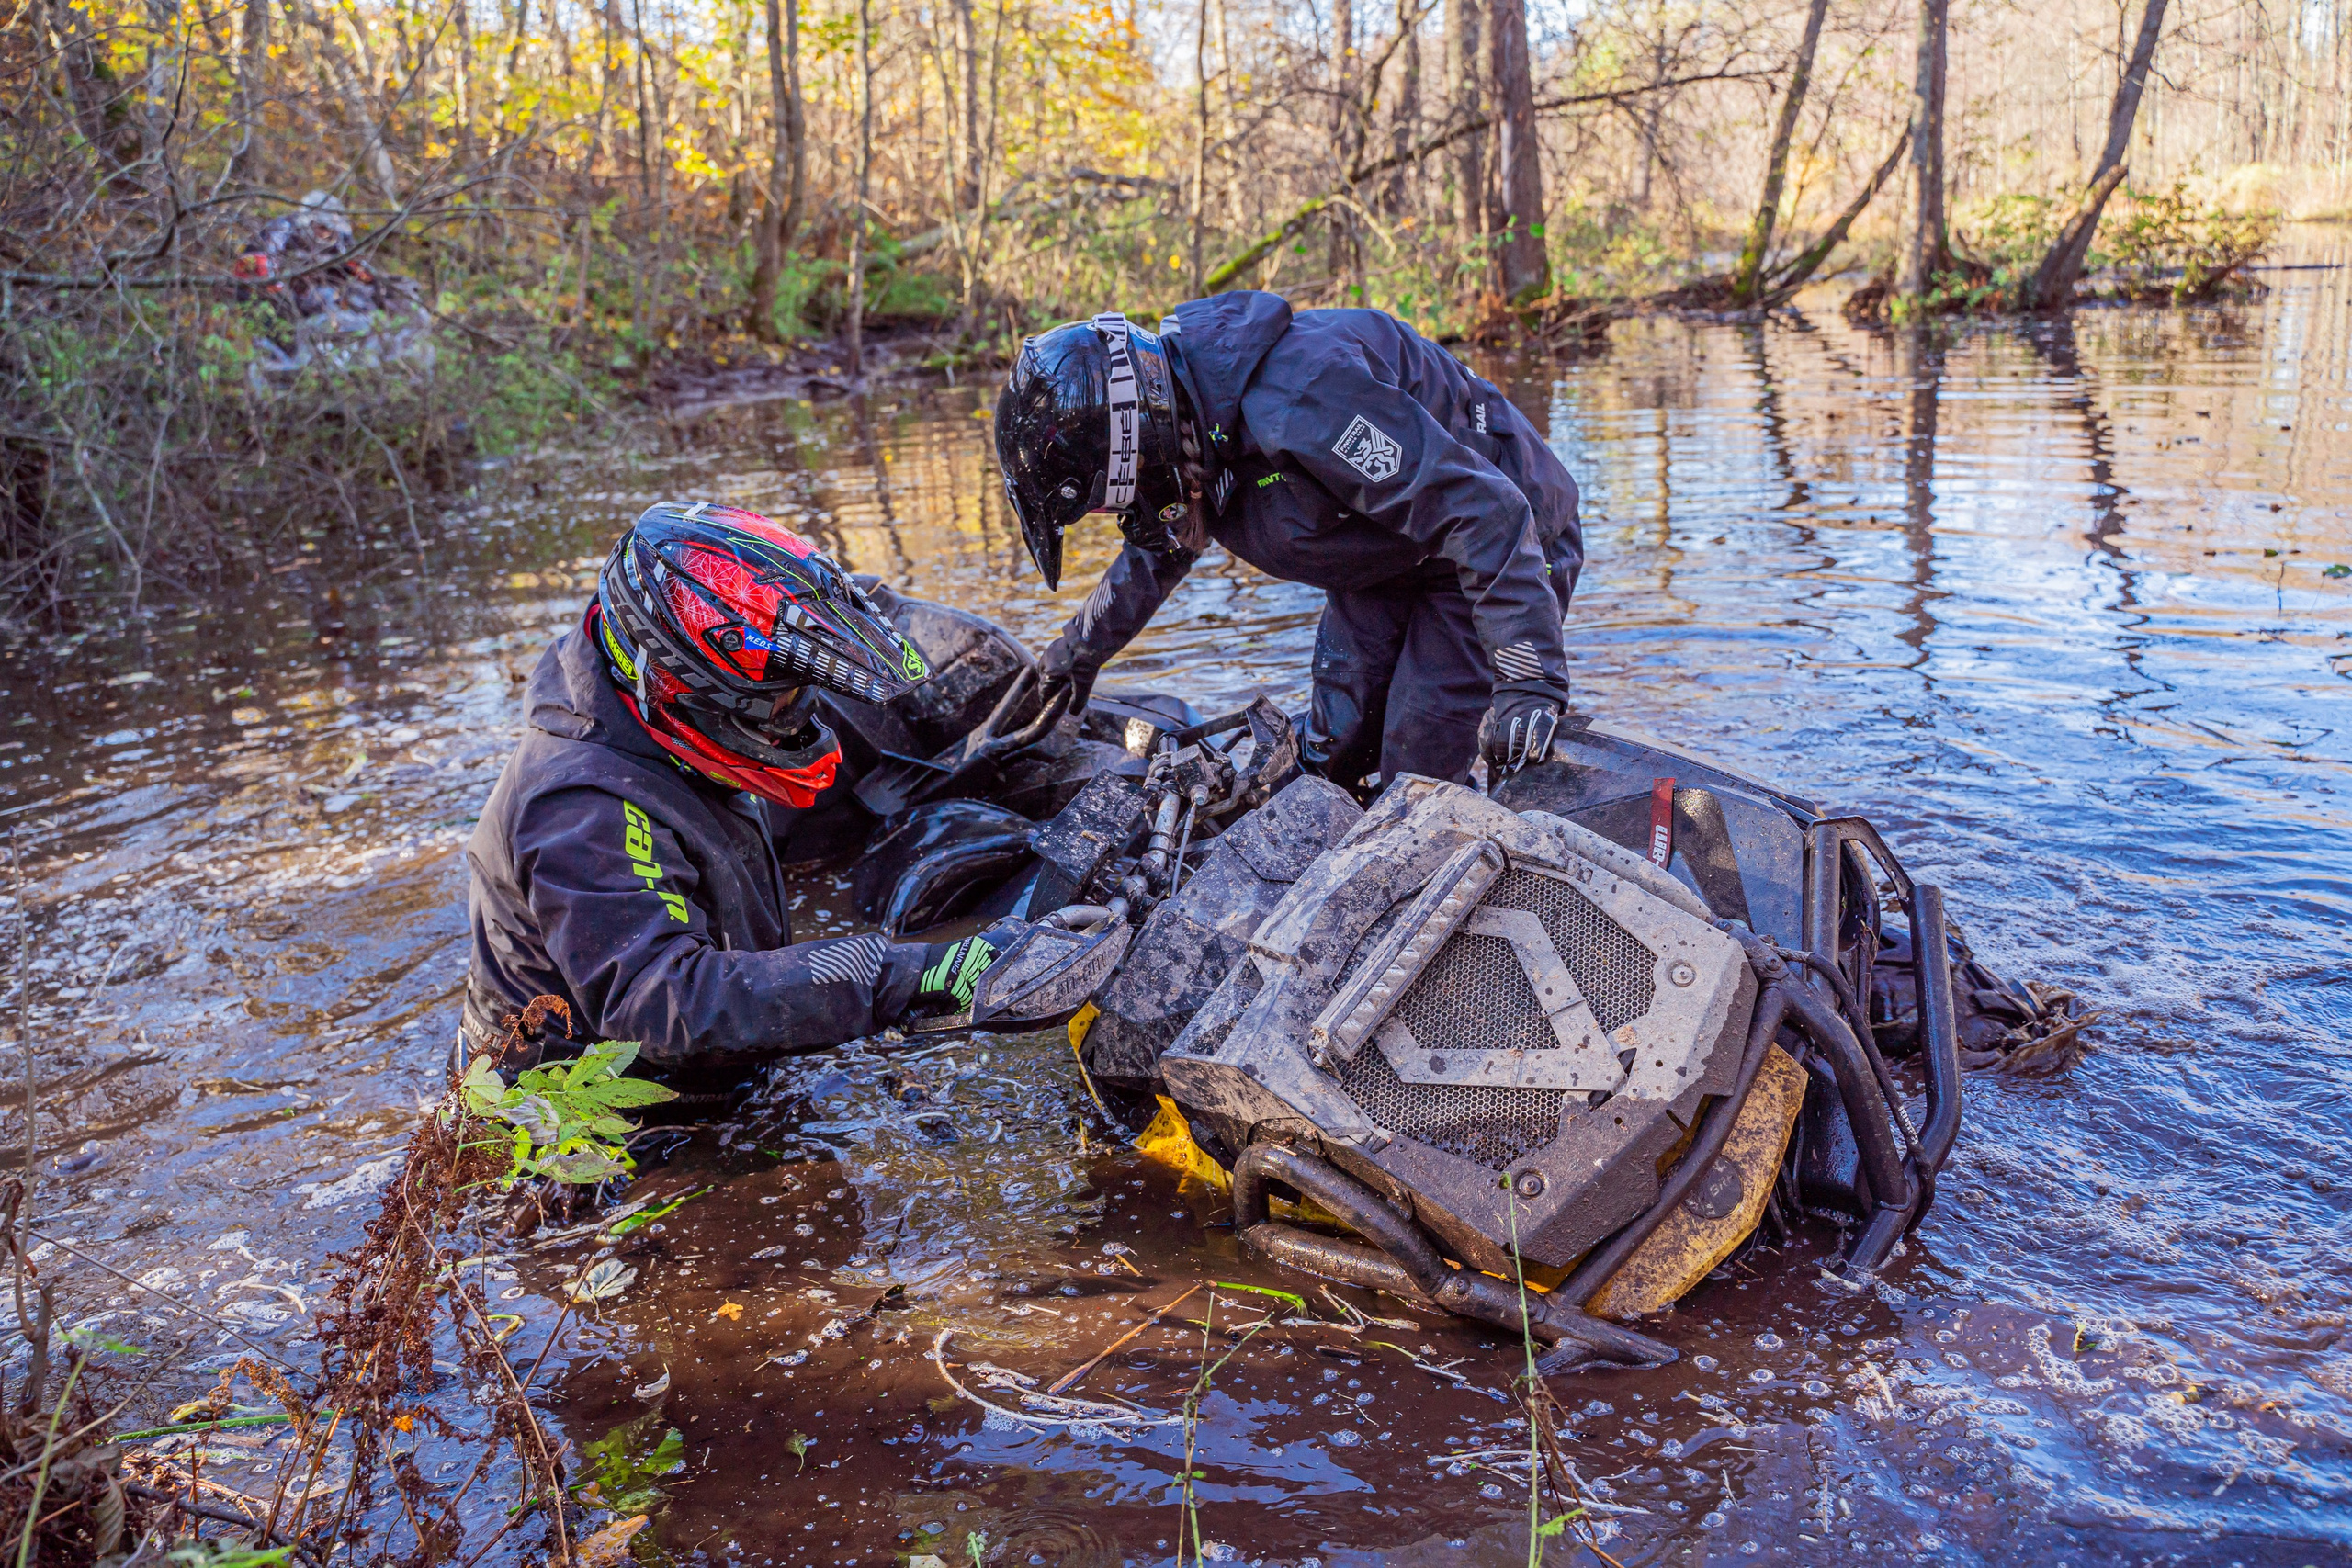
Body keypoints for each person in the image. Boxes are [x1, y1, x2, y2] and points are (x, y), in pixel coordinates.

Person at [463, 502, 1022, 1076]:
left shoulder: (642, 709)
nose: (796, 719)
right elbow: (660, 998)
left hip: (688, 1074)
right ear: (686, 693)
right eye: (778, 705)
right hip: (590, 1131)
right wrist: (912, 974)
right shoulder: (577, 809)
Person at [995, 292, 1583, 794]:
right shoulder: (1194, 440)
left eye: (1103, 501)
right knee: (1328, 759)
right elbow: (1160, 549)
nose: (1113, 515)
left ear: (1132, 448)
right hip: (1387, 562)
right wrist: (1075, 652)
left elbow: (1486, 513)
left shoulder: (1306, 400)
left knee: (1416, 777)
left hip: (1499, 546)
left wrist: (1527, 680)